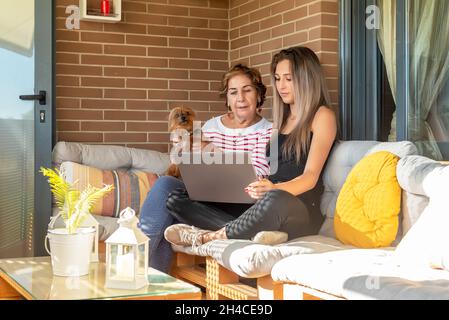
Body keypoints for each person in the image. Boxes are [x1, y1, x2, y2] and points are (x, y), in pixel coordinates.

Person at [164, 46, 338, 248]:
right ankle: (254, 232)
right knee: (177, 199)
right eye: (278, 78)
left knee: (275, 199)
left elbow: (310, 177)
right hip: (266, 200)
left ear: (307, 78)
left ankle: (207, 237)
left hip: (296, 207)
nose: (281, 86)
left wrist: (273, 188)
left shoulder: (322, 116)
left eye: (289, 79)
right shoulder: (282, 120)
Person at [138, 64, 272, 272]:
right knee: (166, 184)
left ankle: (143, 272)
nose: (240, 98)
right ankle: (145, 271)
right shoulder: (210, 126)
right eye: (233, 92)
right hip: (201, 200)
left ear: (259, 95)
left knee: (168, 207)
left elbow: (261, 176)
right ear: (226, 98)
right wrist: (186, 152)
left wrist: (215, 154)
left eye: (247, 90)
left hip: (241, 208)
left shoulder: (269, 132)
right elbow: (188, 169)